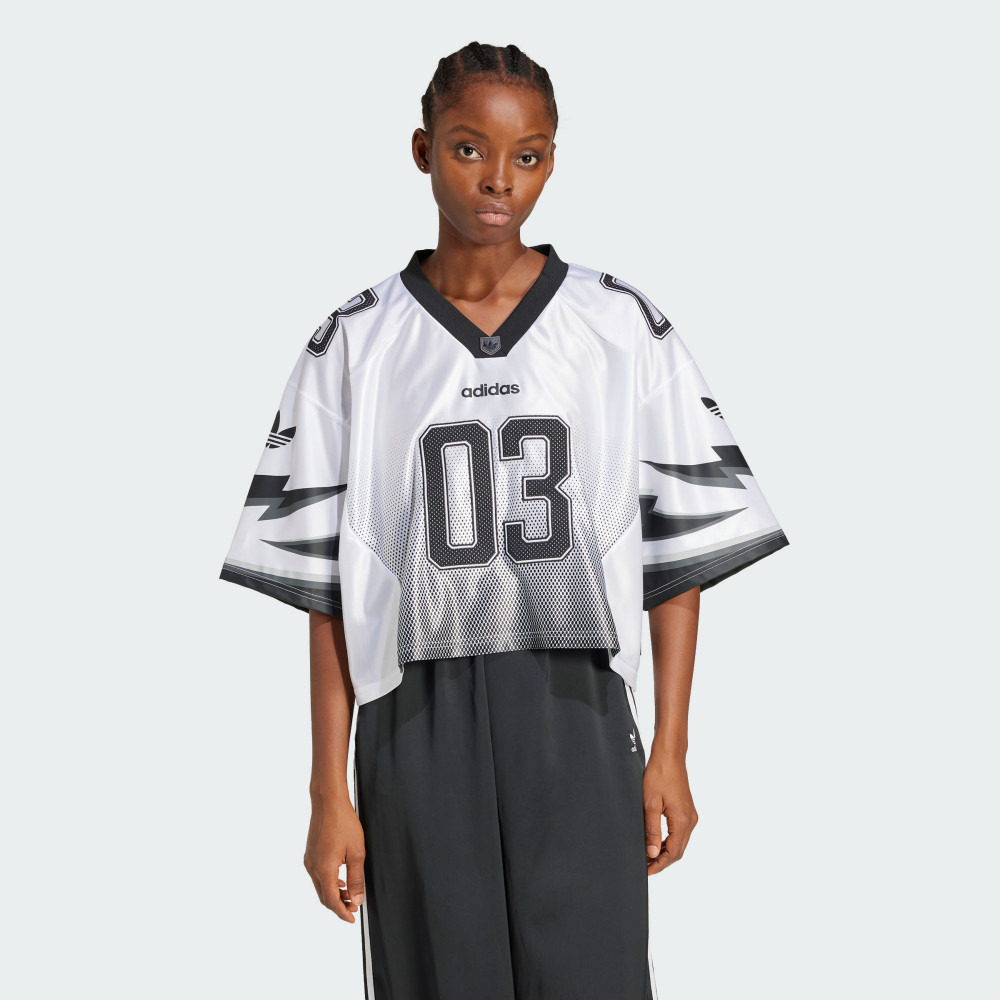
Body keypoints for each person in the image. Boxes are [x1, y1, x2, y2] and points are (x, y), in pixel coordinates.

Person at [219, 40, 789, 1000]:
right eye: (468, 148)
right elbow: (324, 592)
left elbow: (677, 559)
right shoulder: (355, 343)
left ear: (552, 160)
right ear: (422, 150)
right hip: (414, 713)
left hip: (577, 704)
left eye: (527, 156)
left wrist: (672, 750)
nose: (497, 180)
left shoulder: (618, 326)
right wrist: (327, 793)